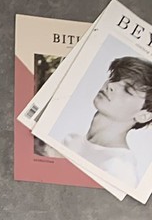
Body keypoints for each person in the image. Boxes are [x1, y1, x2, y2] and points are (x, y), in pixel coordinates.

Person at [62, 56, 152, 187]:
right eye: (114, 78)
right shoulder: (72, 140)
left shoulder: (119, 170)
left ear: (144, 116)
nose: (111, 85)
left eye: (127, 90)